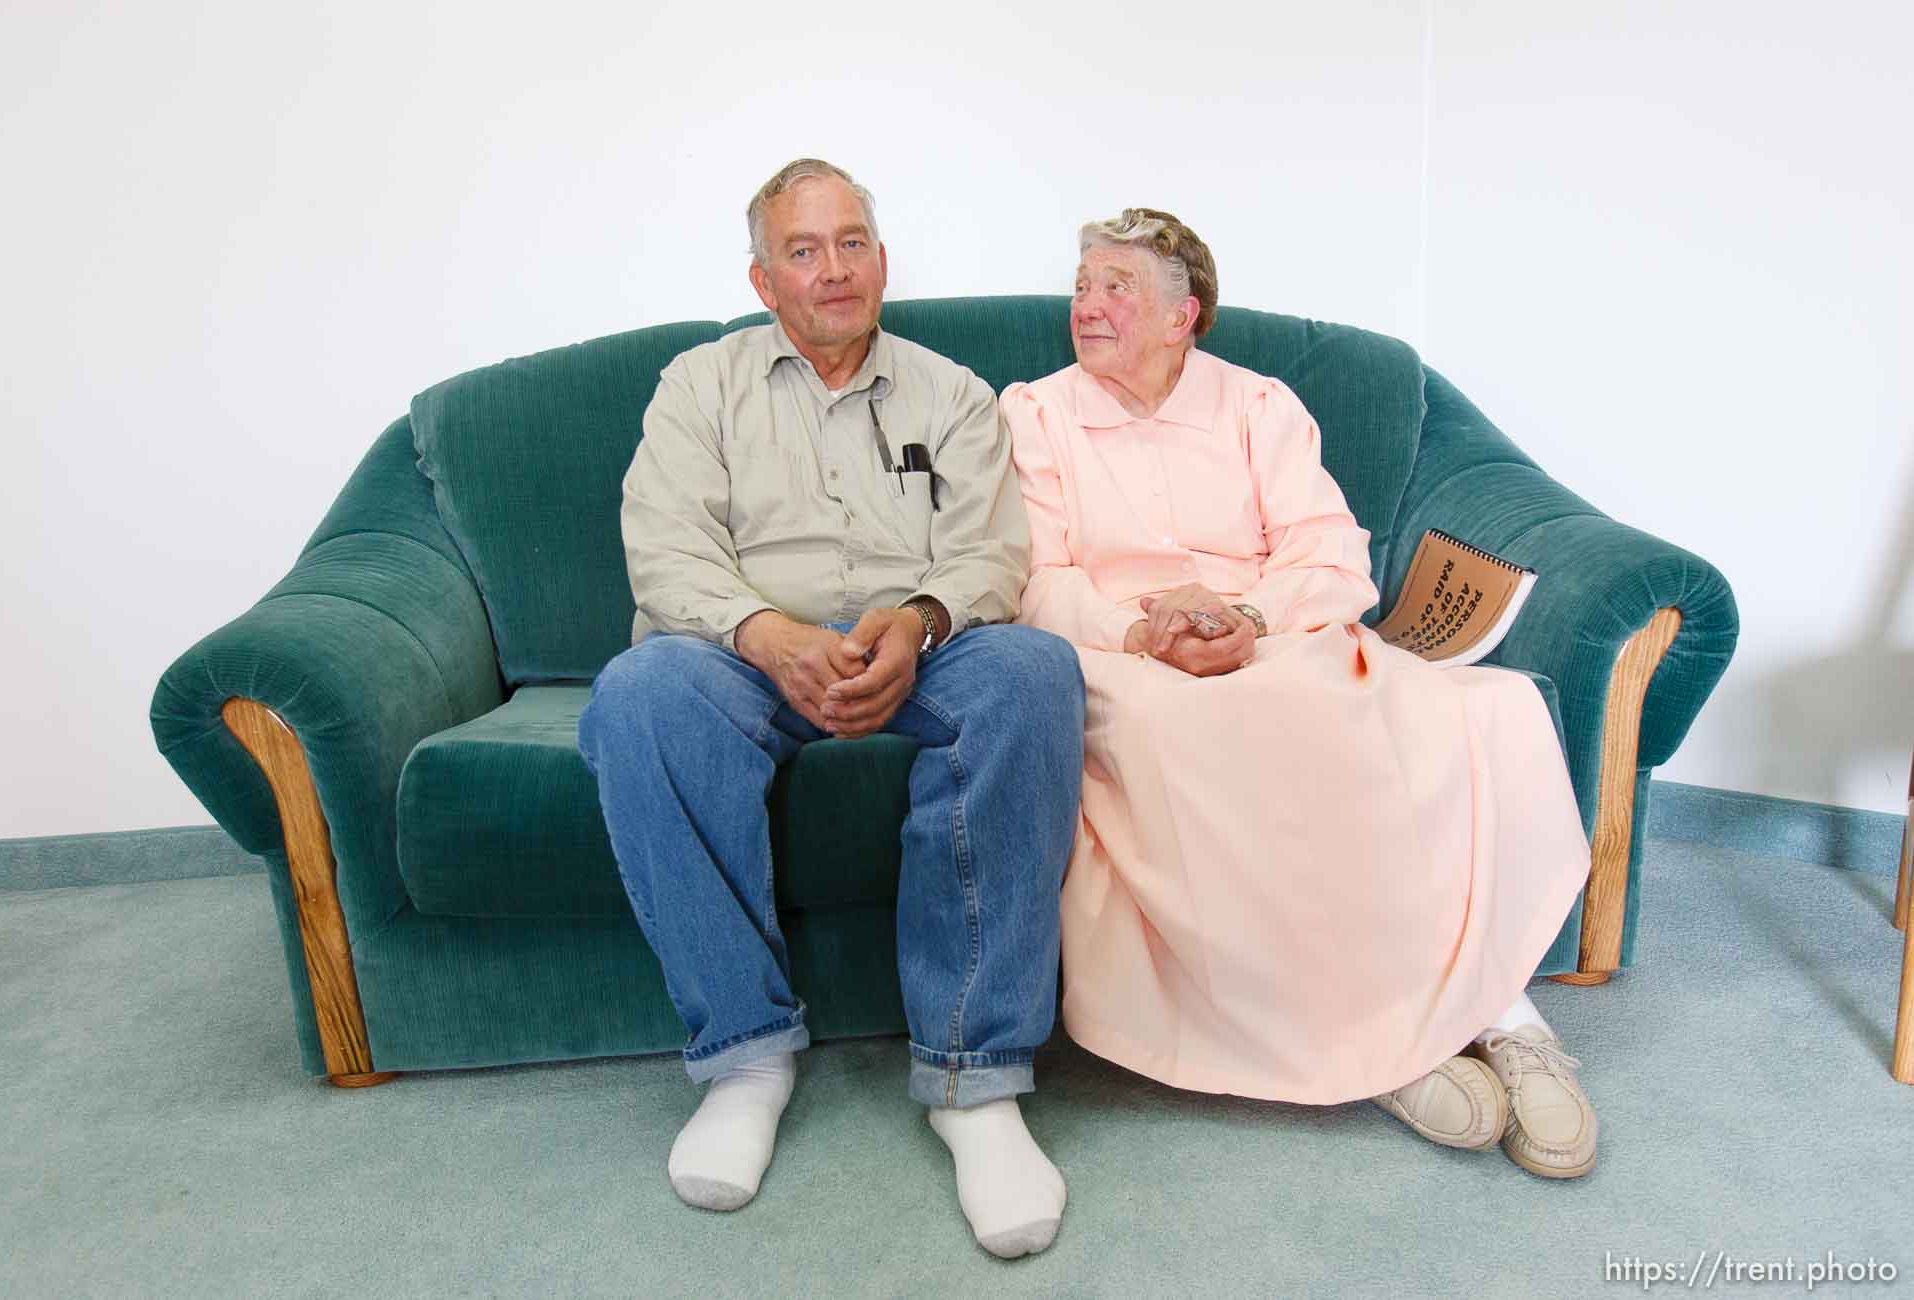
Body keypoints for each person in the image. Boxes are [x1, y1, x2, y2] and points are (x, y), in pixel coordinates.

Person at [999, 208, 1601, 1179]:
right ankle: (1377, 1046)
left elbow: (1327, 552)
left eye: (1117, 287)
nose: (1088, 304)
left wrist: (1245, 618)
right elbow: (1038, 574)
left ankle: (1506, 1017)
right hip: (1123, 651)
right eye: (1081, 284)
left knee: (1405, 719)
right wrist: (1145, 630)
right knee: (1184, 741)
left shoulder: (1257, 405)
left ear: (1181, 315)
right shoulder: (1035, 413)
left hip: (1268, 633)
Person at [576, 159, 1084, 1256]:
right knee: (638, 693)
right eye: (803, 251)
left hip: (914, 647)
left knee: (1032, 671)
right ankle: (747, 1057)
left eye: (852, 242)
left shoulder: (950, 390)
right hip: (747, 652)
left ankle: (974, 1081)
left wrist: (915, 622)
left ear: (884, 262)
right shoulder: (695, 385)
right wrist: (767, 633)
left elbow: (992, 551)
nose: (833, 268)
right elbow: (665, 550)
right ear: (764, 280)